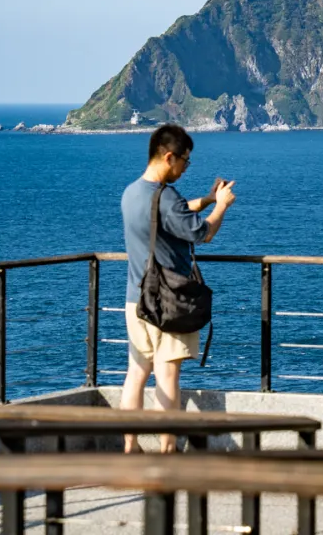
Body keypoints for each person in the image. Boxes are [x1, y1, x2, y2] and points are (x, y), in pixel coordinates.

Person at [120, 123, 236, 453]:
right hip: (169, 303)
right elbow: (203, 233)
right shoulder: (167, 198)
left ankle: (130, 447)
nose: (186, 168)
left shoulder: (132, 193)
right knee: (167, 377)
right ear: (169, 157)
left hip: (136, 300)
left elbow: (174, 216)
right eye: (185, 161)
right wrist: (222, 205)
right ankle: (168, 451)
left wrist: (207, 199)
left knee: (136, 374)